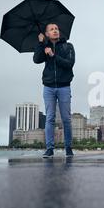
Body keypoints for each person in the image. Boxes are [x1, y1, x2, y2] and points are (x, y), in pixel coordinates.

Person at [33, 23, 75, 157]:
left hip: (64, 86)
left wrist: (53, 55)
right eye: (51, 29)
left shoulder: (68, 46)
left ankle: (68, 148)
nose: (55, 31)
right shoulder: (45, 47)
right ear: (47, 34)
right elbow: (36, 59)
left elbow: (69, 64)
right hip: (49, 87)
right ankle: (49, 149)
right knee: (49, 118)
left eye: (56, 28)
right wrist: (40, 43)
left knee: (66, 119)